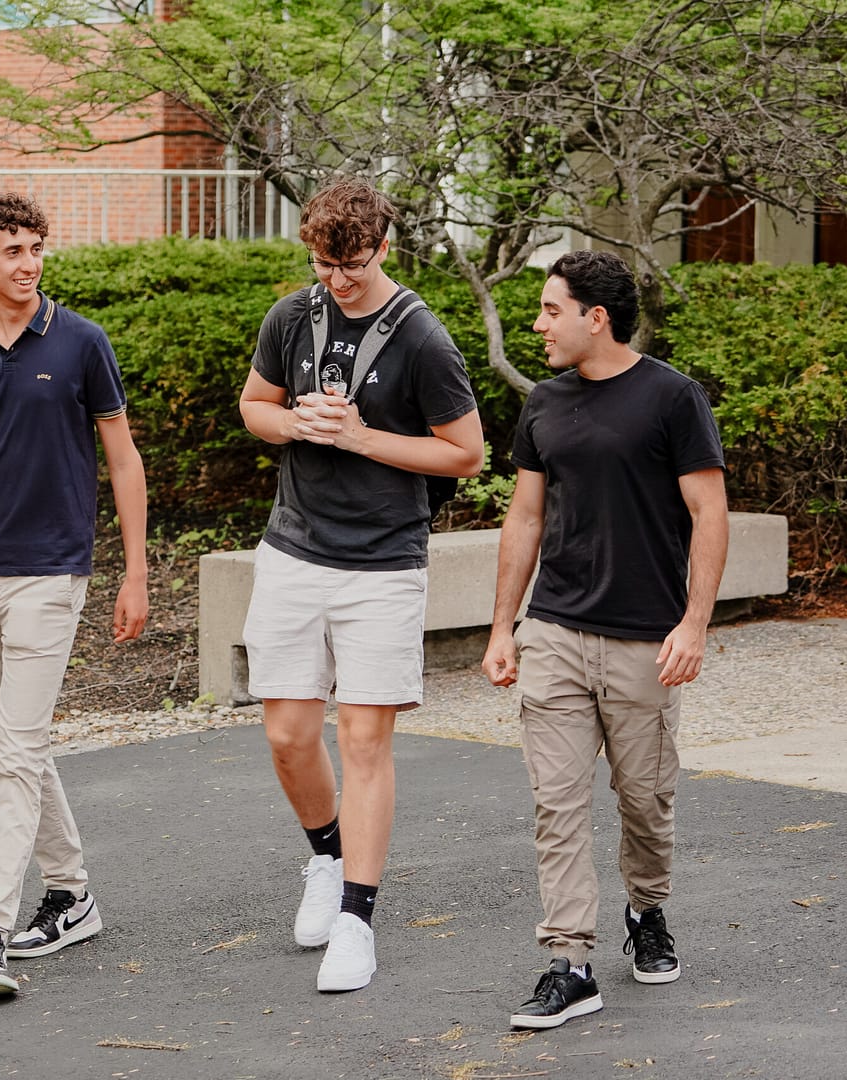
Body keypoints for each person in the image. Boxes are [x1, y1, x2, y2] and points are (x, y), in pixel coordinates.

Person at [238, 177, 484, 993]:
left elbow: (463, 454)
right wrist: (294, 423)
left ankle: (356, 918)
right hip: (293, 549)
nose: (334, 280)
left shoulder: (423, 338)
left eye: (348, 265)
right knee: (285, 732)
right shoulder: (291, 317)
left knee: (364, 742)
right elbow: (253, 407)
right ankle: (325, 855)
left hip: (382, 562)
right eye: (320, 264)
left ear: (382, 247)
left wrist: (361, 437)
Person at [481, 250, 729, 1029]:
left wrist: (692, 624)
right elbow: (523, 517)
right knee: (555, 805)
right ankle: (569, 961)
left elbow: (708, 515)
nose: (536, 324)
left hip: (642, 641)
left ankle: (646, 912)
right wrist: (502, 626)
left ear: (596, 317)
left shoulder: (670, 397)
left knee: (644, 802)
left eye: (550, 310)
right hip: (554, 630)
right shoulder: (544, 404)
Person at [0, 192, 149, 999]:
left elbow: (122, 459)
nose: (28, 263)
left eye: (35, 248)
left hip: (53, 572)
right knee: (21, 747)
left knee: (15, 754)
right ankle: (72, 891)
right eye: (11, 251)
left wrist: (137, 571)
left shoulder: (82, 342)